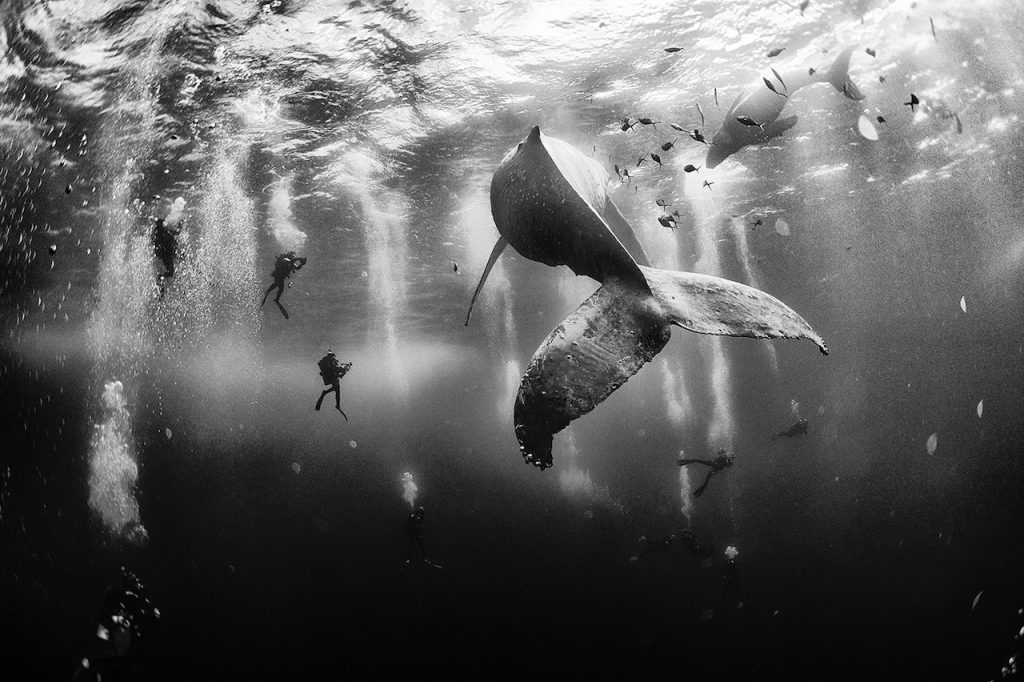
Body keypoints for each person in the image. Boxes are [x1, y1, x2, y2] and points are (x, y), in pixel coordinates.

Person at [70, 566, 160, 682]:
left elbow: (154, 614)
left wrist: (144, 616)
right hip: (114, 639)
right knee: (108, 658)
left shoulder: (134, 598)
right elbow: (104, 620)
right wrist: (122, 620)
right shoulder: (115, 592)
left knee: (120, 662)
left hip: (124, 645)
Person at [261, 251, 307, 319]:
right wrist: (299, 258)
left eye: (293, 256)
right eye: (292, 256)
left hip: (281, 276)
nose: (292, 257)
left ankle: (272, 295)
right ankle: (274, 297)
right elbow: (290, 261)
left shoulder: (291, 261)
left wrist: (302, 264)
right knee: (279, 286)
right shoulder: (285, 259)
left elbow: (297, 268)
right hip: (278, 275)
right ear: (289, 255)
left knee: (278, 286)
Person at [315, 352, 352, 418]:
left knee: (336, 388)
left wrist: (342, 370)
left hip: (330, 377)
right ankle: (337, 404)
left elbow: (334, 369)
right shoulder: (331, 360)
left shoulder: (327, 360)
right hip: (332, 377)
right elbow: (334, 369)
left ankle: (325, 393)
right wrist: (343, 369)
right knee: (337, 389)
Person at [152, 217, 182, 281]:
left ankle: (161, 278)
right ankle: (161, 278)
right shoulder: (163, 232)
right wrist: (180, 225)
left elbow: (175, 233)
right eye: (164, 222)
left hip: (166, 254)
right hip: (168, 253)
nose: (165, 223)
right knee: (171, 272)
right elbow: (175, 233)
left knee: (171, 272)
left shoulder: (160, 232)